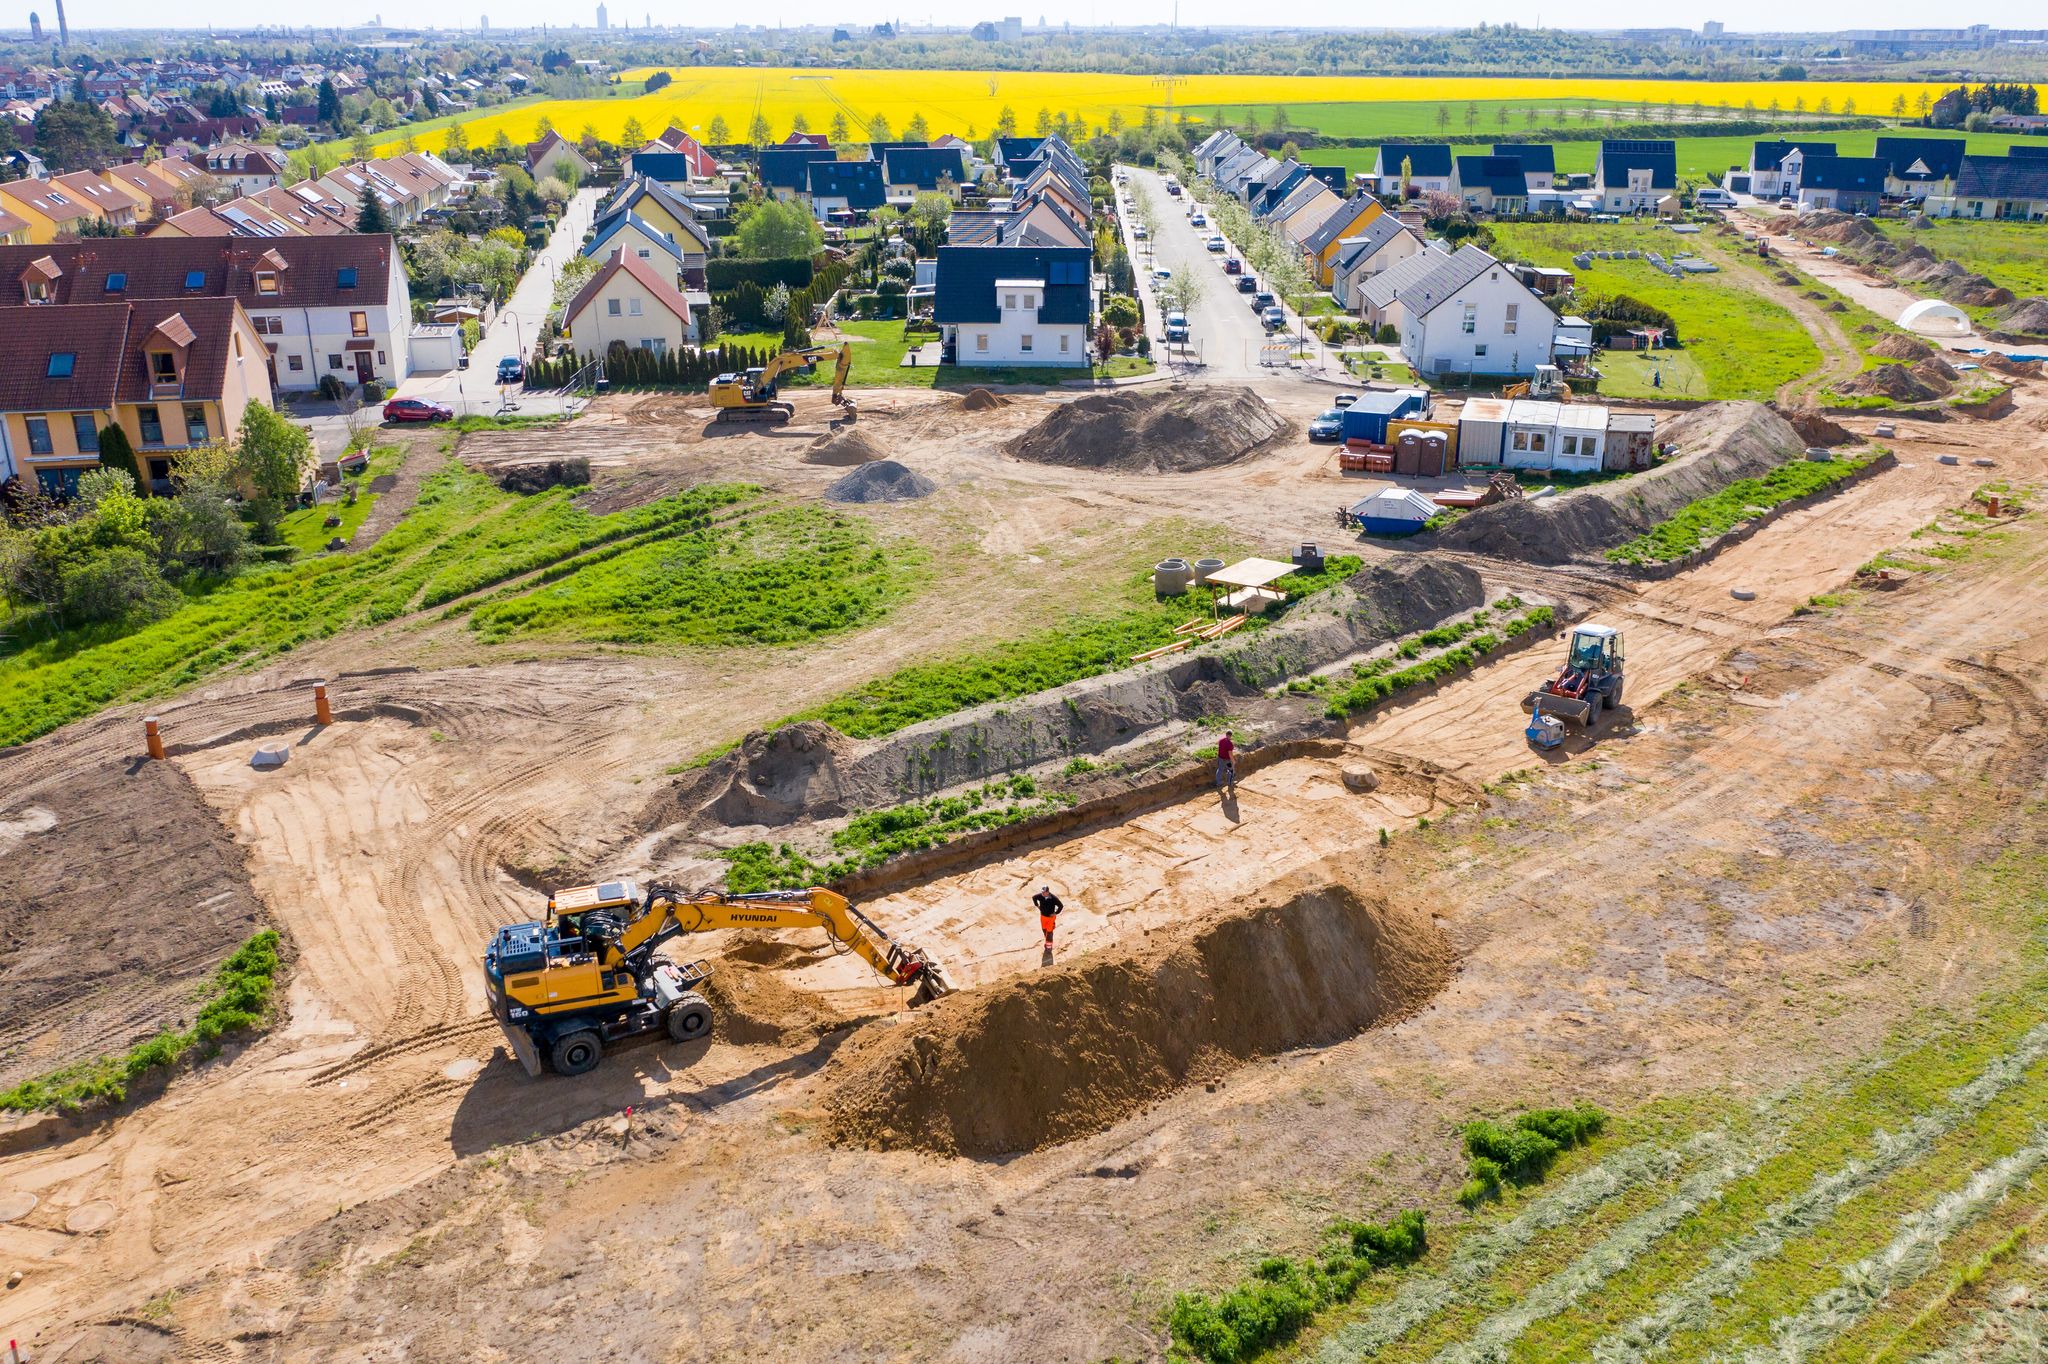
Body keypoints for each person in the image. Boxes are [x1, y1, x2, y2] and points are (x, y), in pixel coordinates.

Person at [1032, 885, 1063, 949]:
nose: (1042, 893)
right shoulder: (1040, 896)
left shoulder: (1053, 898)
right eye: (1042, 892)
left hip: (1050, 917)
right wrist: (1037, 905)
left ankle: (1049, 946)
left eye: (1044, 892)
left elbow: (1061, 906)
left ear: (1048, 892)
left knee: (1049, 931)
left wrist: (1055, 913)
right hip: (1043, 916)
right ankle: (1047, 939)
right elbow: (1034, 897)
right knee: (1044, 929)